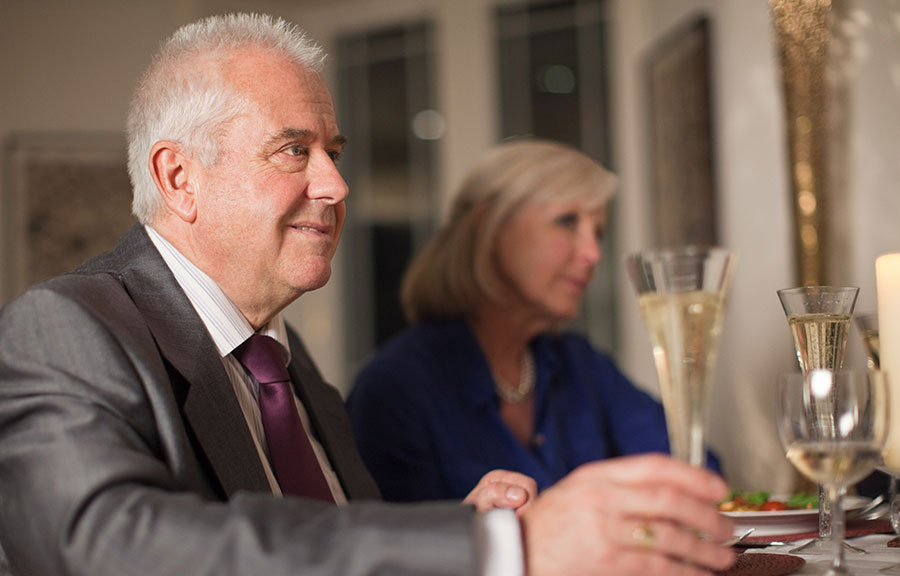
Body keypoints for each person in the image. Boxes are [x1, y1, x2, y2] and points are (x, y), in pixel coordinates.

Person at [0, 13, 735, 576]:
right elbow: (100, 544)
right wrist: (493, 546)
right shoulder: (63, 327)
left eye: (334, 152)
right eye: (295, 150)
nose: (335, 184)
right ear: (179, 178)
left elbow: (341, 547)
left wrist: (458, 533)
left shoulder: (285, 363)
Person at [347, 139, 720, 502]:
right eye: (567, 221)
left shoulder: (581, 364)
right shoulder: (396, 388)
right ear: (489, 229)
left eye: (598, 233)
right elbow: (392, 539)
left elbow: (699, 472)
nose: (593, 254)